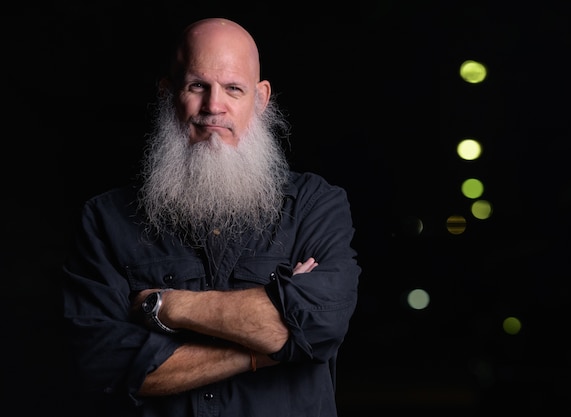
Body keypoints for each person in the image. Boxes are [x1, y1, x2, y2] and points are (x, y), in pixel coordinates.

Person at [60, 17, 360, 417]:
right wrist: (268, 348)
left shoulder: (314, 205)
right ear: (169, 93)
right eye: (197, 85)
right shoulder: (105, 219)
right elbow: (104, 366)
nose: (213, 106)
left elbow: (321, 324)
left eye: (233, 88)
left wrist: (165, 306)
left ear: (261, 97)